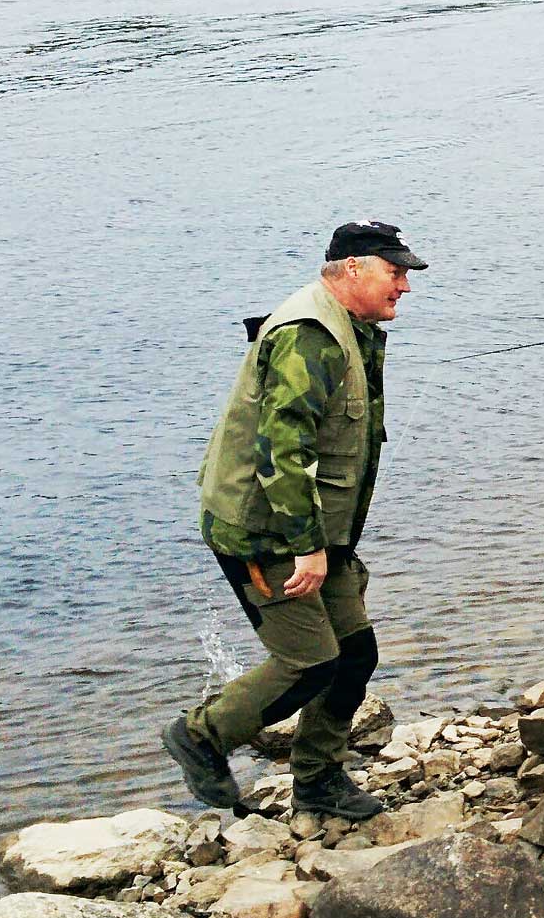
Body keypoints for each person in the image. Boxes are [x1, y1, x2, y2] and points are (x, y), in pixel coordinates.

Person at [162, 221, 427, 822]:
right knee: (309, 663)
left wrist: (328, 545)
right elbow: (281, 454)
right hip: (266, 532)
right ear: (354, 268)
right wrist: (308, 547)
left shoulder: (348, 328)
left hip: (314, 532)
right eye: (397, 271)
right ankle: (201, 736)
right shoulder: (308, 338)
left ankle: (318, 781)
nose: (406, 286)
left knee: (354, 652)